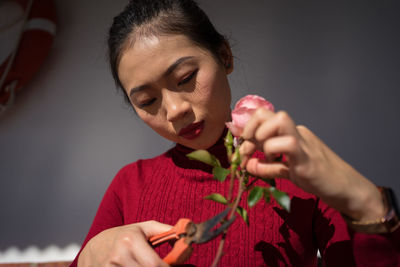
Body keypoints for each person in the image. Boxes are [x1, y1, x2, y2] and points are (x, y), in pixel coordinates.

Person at [71, 0, 400, 266]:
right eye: (147, 101)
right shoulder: (130, 186)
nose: (174, 111)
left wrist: (366, 203)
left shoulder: (292, 169)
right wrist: (91, 256)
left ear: (224, 56)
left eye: (185, 78)